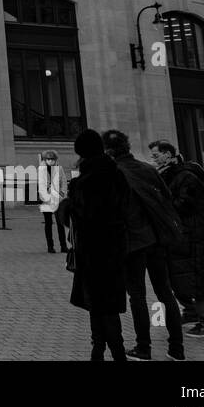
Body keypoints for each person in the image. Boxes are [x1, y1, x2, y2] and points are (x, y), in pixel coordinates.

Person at [102, 129, 185, 362]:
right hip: (157, 240)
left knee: (137, 295)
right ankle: (177, 348)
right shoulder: (147, 169)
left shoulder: (113, 173)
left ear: (107, 151)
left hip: (133, 242)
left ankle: (143, 347)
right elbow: (166, 197)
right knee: (164, 293)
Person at [60, 129, 129, 361]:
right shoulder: (117, 175)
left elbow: (80, 218)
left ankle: (106, 350)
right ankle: (104, 350)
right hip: (115, 249)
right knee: (107, 305)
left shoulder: (86, 182)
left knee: (99, 306)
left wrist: (67, 205)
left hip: (93, 253)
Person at [148, 140, 204, 337]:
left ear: (168, 155)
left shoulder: (186, 176)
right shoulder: (169, 175)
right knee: (176, 276)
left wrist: (160, 200)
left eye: (156, 155)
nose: (153, 159)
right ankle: (191, 311)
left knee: (196, 277)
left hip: (192, 236)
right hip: (178, 235)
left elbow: (183, 205)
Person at [38, 150, 69, 254]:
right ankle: (50, 246)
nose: (50, 160)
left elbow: (63, 183)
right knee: (48, 223)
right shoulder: (41, 170)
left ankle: (63, 246)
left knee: (60, 223)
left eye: (52, 158)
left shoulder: (59, 168)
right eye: (48, 158)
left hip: (58, 199)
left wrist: (61, 195)